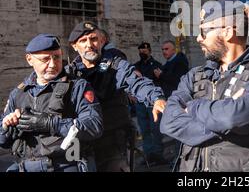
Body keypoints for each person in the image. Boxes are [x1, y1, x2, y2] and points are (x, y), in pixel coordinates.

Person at [160, 0, 249, 172]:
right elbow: (168, 121)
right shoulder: (194, 76)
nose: (198, 38)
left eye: (203, 32)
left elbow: (236, 117)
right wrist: (223, 121)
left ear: (227, 32)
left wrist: (194, 108)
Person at [66, 21, 166, 172]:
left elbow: (136, 81)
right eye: (82, 41)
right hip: (82, 143)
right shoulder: (70, 72)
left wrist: (156, 98)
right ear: (74, 46)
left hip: (112, 141)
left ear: (102, 41)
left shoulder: (115, 65)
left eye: (93, 39)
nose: (89, 44)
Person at [0, 34, 103, 172]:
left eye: (56, 57)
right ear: (29, 59)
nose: (53, 64)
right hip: (26, 166)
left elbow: (94, 125)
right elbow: (3, 141)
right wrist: (7, 128)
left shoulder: (77, 86)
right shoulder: (19, 93)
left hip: (66, 165)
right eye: (45, 59)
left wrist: (51, 124)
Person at [132, 42, 165, 165]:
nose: (142, 53)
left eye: (144, 50)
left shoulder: (157, 65)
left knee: (156, 129)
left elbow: (162, 82)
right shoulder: (135, 66)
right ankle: (148, 156)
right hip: (140, 103)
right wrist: (130, 94)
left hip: (153, 103)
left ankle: (158, 155)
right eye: (140, 51)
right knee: (144, 130)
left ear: (149, 50)